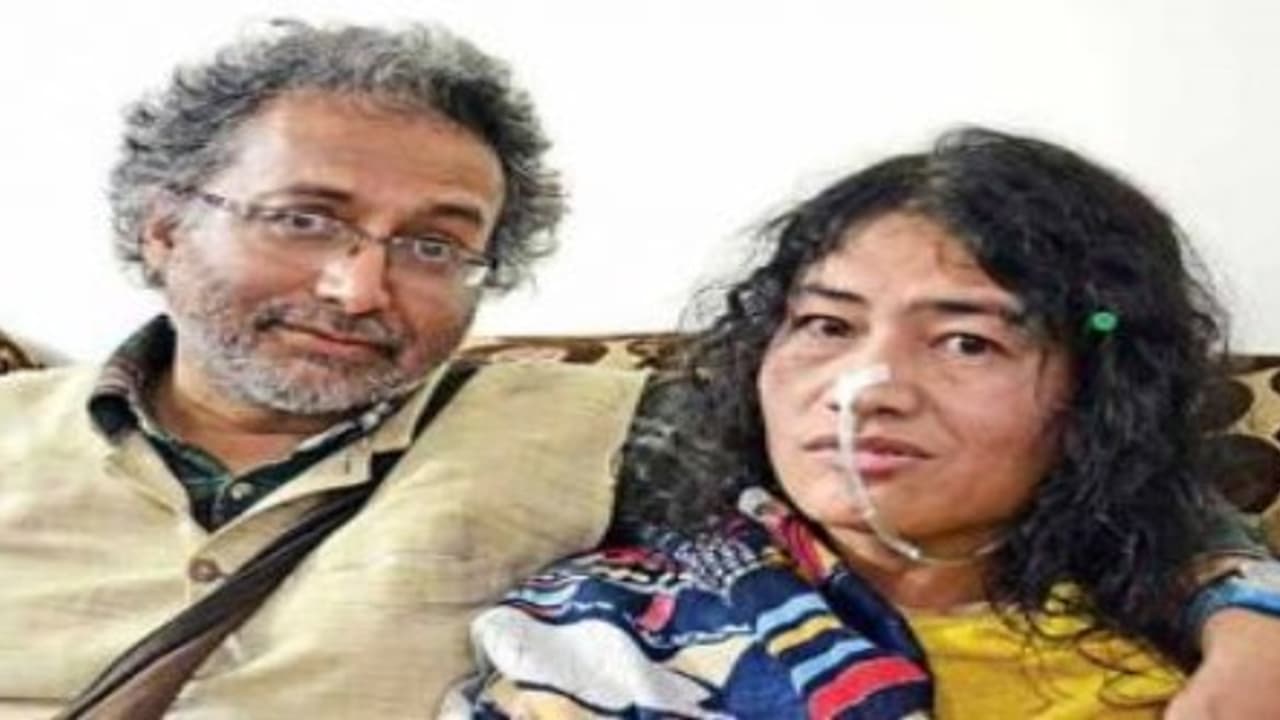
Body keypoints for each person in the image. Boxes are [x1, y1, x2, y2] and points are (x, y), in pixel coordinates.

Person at [451, 128, 1280, 718]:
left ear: (1102, 391)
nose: (862, 390)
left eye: (967, 342)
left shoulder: (1203, 646)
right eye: (827, 326)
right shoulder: (603, 639)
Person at [0, 19, 649, 717]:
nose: (358, 290)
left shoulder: (607, 432)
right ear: (164, 230)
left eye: (432, 247)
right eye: (303, 220)